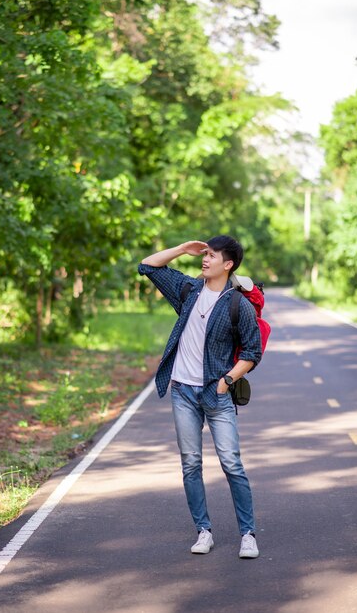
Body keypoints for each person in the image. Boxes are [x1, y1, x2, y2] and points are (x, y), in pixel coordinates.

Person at [138, 235, 262, 558]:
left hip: (216, 393)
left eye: (212, 256)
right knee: (191, 463)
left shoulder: (239, 304)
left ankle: (248, 534)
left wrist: (227, 380)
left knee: (232, 463)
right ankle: (203, 530)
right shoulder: (188, 291)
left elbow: (252, 352)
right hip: (182, 391)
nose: (205, 260)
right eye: (204, 254)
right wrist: (181, 249)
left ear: (229, 264)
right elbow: (147, 267)